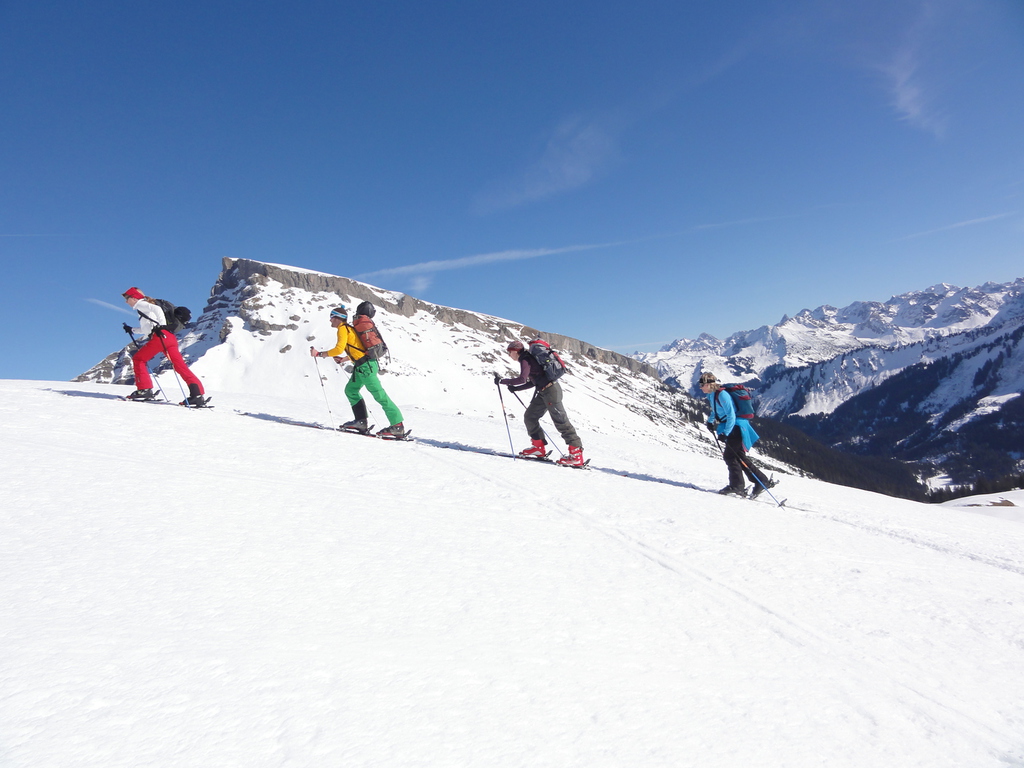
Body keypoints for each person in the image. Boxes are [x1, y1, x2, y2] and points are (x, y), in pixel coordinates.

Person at [310, 305, 406, 437]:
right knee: (351, 390)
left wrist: (319, 354)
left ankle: (397, 425)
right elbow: (358, 349)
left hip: (366, 367)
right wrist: (344, 359)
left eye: (331, 317)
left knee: (379, 395)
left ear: (338, 318)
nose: (330, 320)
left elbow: (338, 349)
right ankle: (361, 422)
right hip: (362, 367)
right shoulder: (349, 329)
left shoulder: (343, 329)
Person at [496, 340, 585, 467]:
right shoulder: (528, 358)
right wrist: (515, 389)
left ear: (515, 351)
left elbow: (522, 379)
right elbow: (533, 382)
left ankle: (576, 455)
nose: (509, 355)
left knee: (561, 422)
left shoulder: (525, 359)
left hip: (551, 392)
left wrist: (502, 381)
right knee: (530, 416)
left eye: (509, 352)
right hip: (545, 391)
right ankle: (538, 448)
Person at [122, 287, 208, 405]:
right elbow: (147, 329)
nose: (126, 302)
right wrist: (132, 329)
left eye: (127, 298)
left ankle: (144, 390)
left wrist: (162, 326)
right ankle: (197, 394)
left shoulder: (141, 304)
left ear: (134, 298)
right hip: (169, 337)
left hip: (160, 337)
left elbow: (157, 310)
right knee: (180, 366)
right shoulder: (145, 307)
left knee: (138, 359)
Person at [699, 371, 776, 497]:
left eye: (702, 385)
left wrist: (726, 433)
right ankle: (761, 481)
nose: (700, 387)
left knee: (730, 456)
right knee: (739, 457)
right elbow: (715, 410)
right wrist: (710, 421)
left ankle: (737, 486)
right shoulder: (712, 395)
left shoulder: (722, 395)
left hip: (736, 427)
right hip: (733, 426)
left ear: (708, 384)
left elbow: (731, 415)